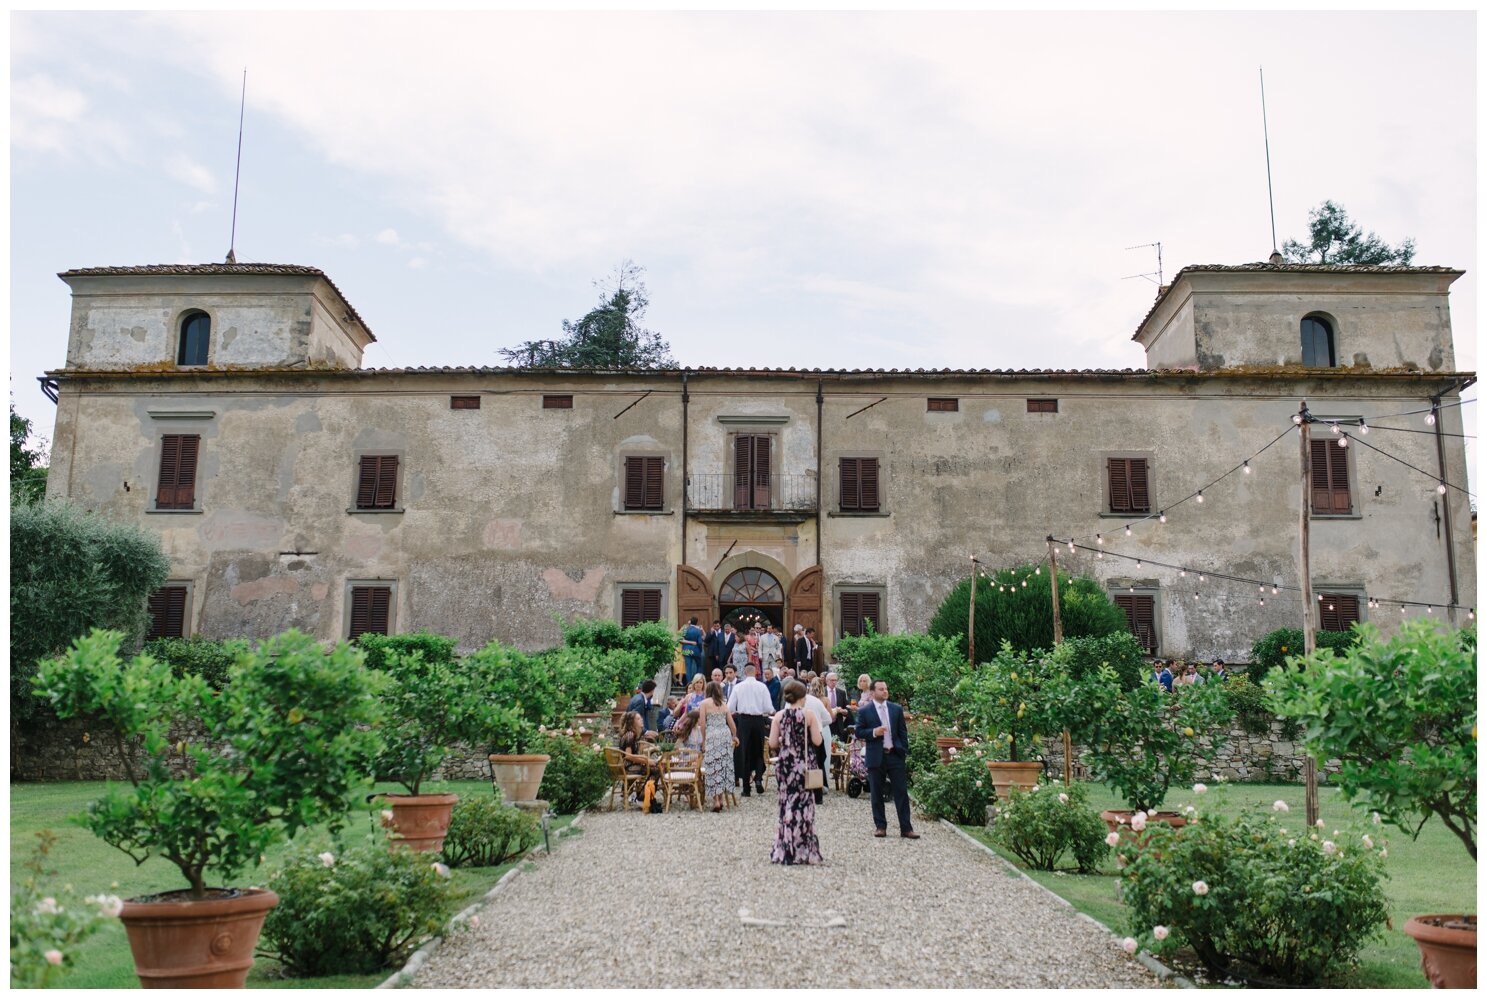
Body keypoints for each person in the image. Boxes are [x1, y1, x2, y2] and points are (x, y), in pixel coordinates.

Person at [768, 680, 823, 865]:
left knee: (786, 803)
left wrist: (787, 739)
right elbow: (817, 741)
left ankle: (786, 846)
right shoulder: (809, 715)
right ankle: (804, 848)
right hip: (804, 763)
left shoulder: (779, 715)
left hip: (785, 764)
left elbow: (772, 744)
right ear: (803, 696)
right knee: (805, 804)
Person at [856, 680, 918, 839]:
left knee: (901, 792)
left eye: (886, 688)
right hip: (876, 755)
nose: (885, 691)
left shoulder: (896, 709)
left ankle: (906, 828)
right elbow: (859, 732)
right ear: (872, 692)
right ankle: (880, 826)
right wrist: (874, 732)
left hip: (895, 755)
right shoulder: (865, 711)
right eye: (881, 689)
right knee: (877, 792)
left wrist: (903, 750)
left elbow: (903, 732)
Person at [727, 664, 775, 797]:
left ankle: (746, 788)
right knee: (759, 750)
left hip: (744, 721)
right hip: (758, 720)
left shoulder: (738, 687)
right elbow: (768, 707)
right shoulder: (762, 686)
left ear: (744, 672)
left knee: (745, 752)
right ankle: (758, 778)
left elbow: (730, 707)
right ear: (756, 673)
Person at [697, 680, 739, 812]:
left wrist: (703, 740)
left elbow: (702, 724)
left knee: (713, 767)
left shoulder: (704, 703)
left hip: (712, 735)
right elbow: (731, 723)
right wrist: (734, 735)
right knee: (723, 766)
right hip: (724, 735)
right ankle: (721, 799)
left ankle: (715, 800)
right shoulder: (723, 704)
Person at [804, 677, 833, 804]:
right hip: (818, 732)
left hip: (799, 735)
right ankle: (818, 793)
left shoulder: (794, 701)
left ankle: (804, 791)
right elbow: (829, 719)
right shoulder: (819, 701)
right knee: (818, 762)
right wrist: (819, 724)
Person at [616, 711, 660, 781]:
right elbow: (628, 756)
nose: (642, 719)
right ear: (632, 722)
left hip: (632, 764)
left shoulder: (636, 734)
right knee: (656, 770)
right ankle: (646, 791)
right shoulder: (630, 735)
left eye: (641, 718)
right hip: (627, 767)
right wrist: (647, 761)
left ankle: (644, 790)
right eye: (638, 719)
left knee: (656, 766)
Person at [822, 671, 851, 741]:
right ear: (827, 681)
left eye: (835, 680)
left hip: (838, 725)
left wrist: (845, 711)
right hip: (825, 724)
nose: (834, 682)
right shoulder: (822, 692)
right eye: (832, 680)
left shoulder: (841, 693)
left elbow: (847, 708)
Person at [681, 616, 705, 683]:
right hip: (696, 650)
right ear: (696, 623)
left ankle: (689, 683)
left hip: (686, 650)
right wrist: (700, 650)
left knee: (688, 667)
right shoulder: (698, 631)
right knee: (699, 665)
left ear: (690, 621)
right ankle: (698, 680)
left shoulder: (685, 629)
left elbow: (680, 640)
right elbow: (700, 642)